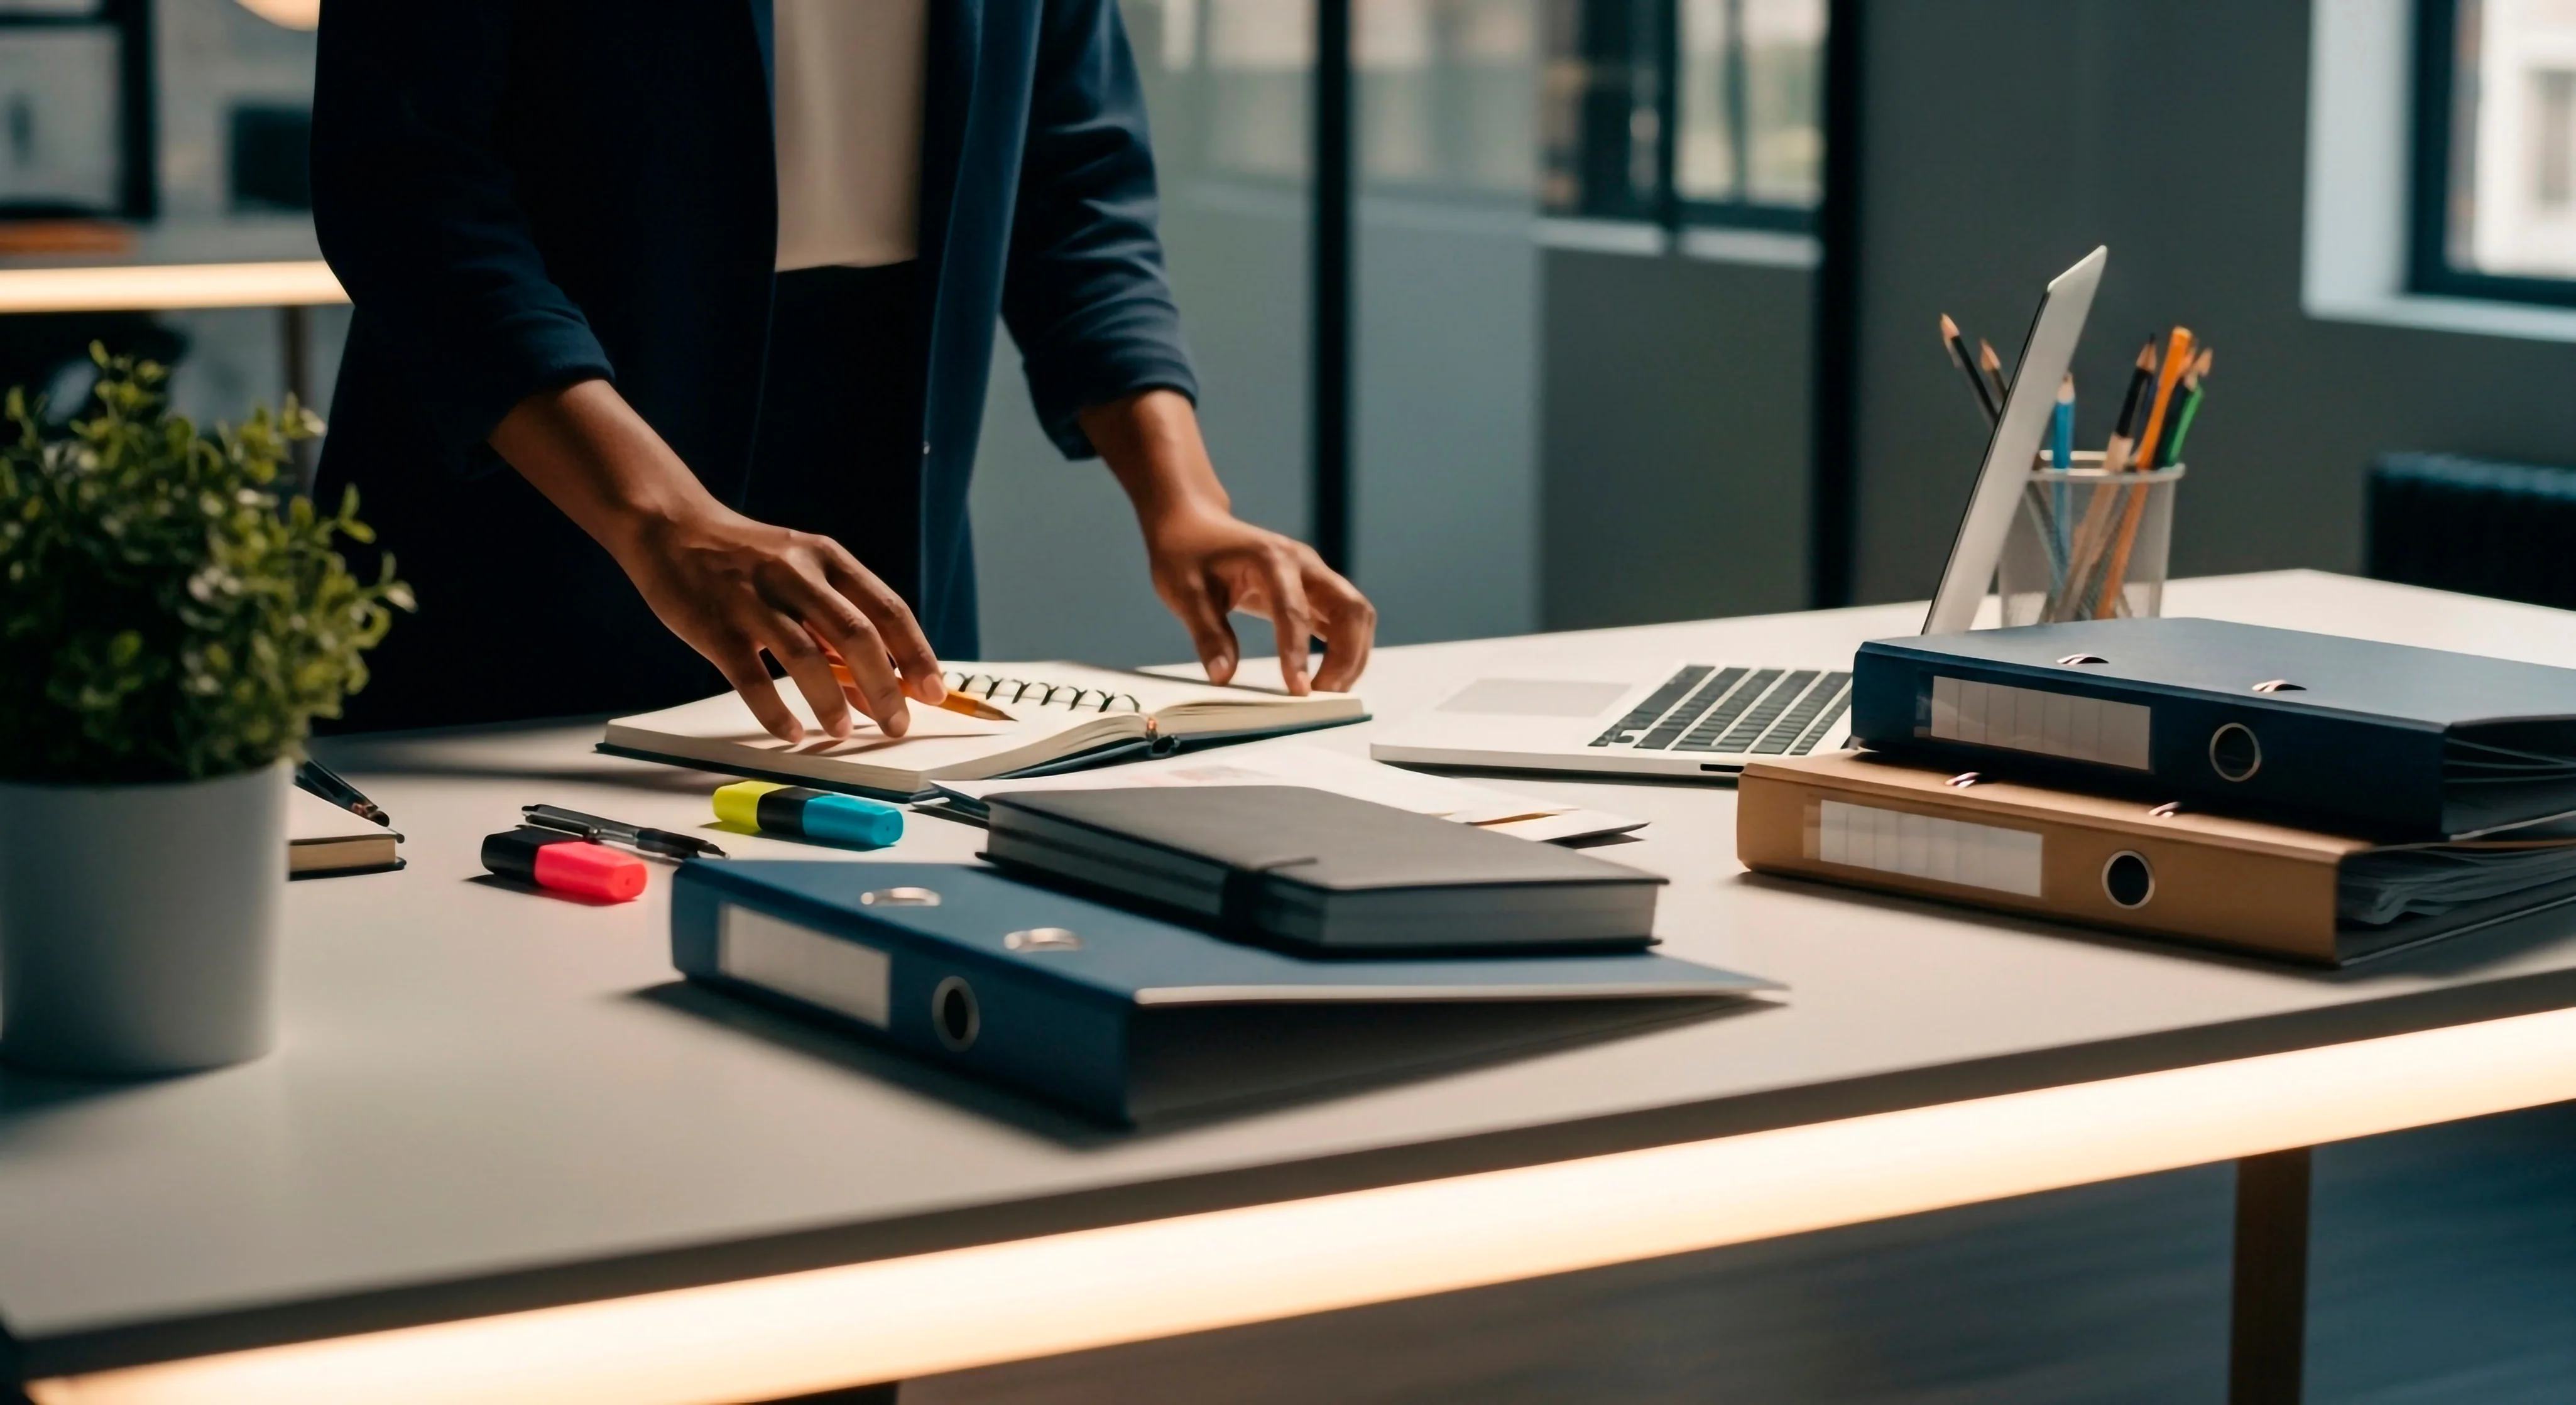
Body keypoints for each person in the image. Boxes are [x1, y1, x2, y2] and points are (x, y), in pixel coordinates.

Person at [308, 0, 1374, 742]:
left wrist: (1184, 500)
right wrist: (663, 518)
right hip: (543, 494)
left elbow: (1076, 190)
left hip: (881, 488)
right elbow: (408, 188)